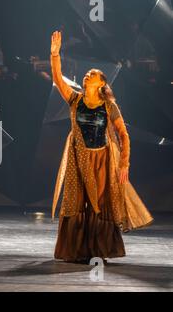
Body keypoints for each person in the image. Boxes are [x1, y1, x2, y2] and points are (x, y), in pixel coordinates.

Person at [50, 31, 153, 263]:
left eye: (93, 74)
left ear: (102, 83)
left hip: (102, 160)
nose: (88, 75)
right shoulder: (74, 99)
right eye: (87, 74)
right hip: (79, 158)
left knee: (100, 205)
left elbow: (124, 136)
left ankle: (99, 250)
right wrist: (55, 54)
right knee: (76, 202)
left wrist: (124, 163)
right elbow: (57, 78)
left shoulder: (109, 106)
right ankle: (75, 251)